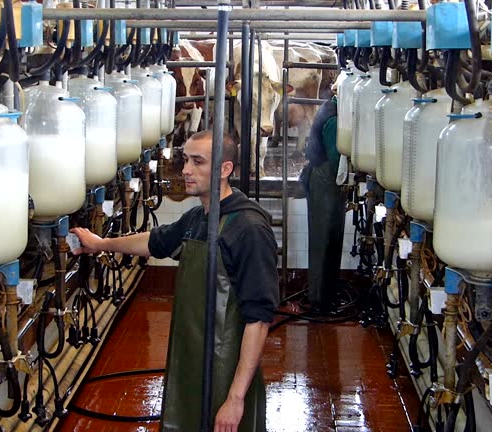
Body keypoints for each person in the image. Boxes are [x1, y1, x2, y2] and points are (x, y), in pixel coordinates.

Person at [71, 130, 279, 432]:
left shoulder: (248, 228)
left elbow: (258, 320)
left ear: (225, 170)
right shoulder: (197, 219)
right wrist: (101, 244)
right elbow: (155, 242)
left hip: (227, 372)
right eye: (185, 160)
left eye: (198, 162)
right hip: (190, 361)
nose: (185, 170)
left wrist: (236, 398)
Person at [299, 89, 347, 314]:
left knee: (328, 237)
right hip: (325, 177)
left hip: (324, 176)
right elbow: (337, 157)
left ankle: (324, 294)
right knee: (324, 239)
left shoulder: (332, 107)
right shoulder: (334, 117)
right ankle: (320, 300)